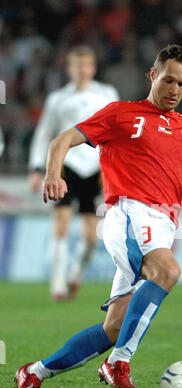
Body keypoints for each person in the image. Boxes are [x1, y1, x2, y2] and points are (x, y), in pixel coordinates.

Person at [13, 44, 182, 388]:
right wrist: (53, 174)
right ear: (153, 75)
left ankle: (34, 372)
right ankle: (119, 362)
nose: (174, 90)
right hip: (128, 214)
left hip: (161, 225)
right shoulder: (121, 114)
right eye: (168, 80)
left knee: (113, 328)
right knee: (168, 271)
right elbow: (62, 139)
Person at [28, 46, 119, 300]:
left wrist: (116, 166)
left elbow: (115, 131)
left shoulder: (107, 94)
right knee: (61, 223)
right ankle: (57, 285)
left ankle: (75, 274)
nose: (82, 70)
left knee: (91, 237)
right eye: (77, 65)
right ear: (70, 69)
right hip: (67, 166)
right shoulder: (58, 99)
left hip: (95, 168)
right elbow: (44, 134)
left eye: (86, 65)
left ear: (93, 68)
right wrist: (38, 168)